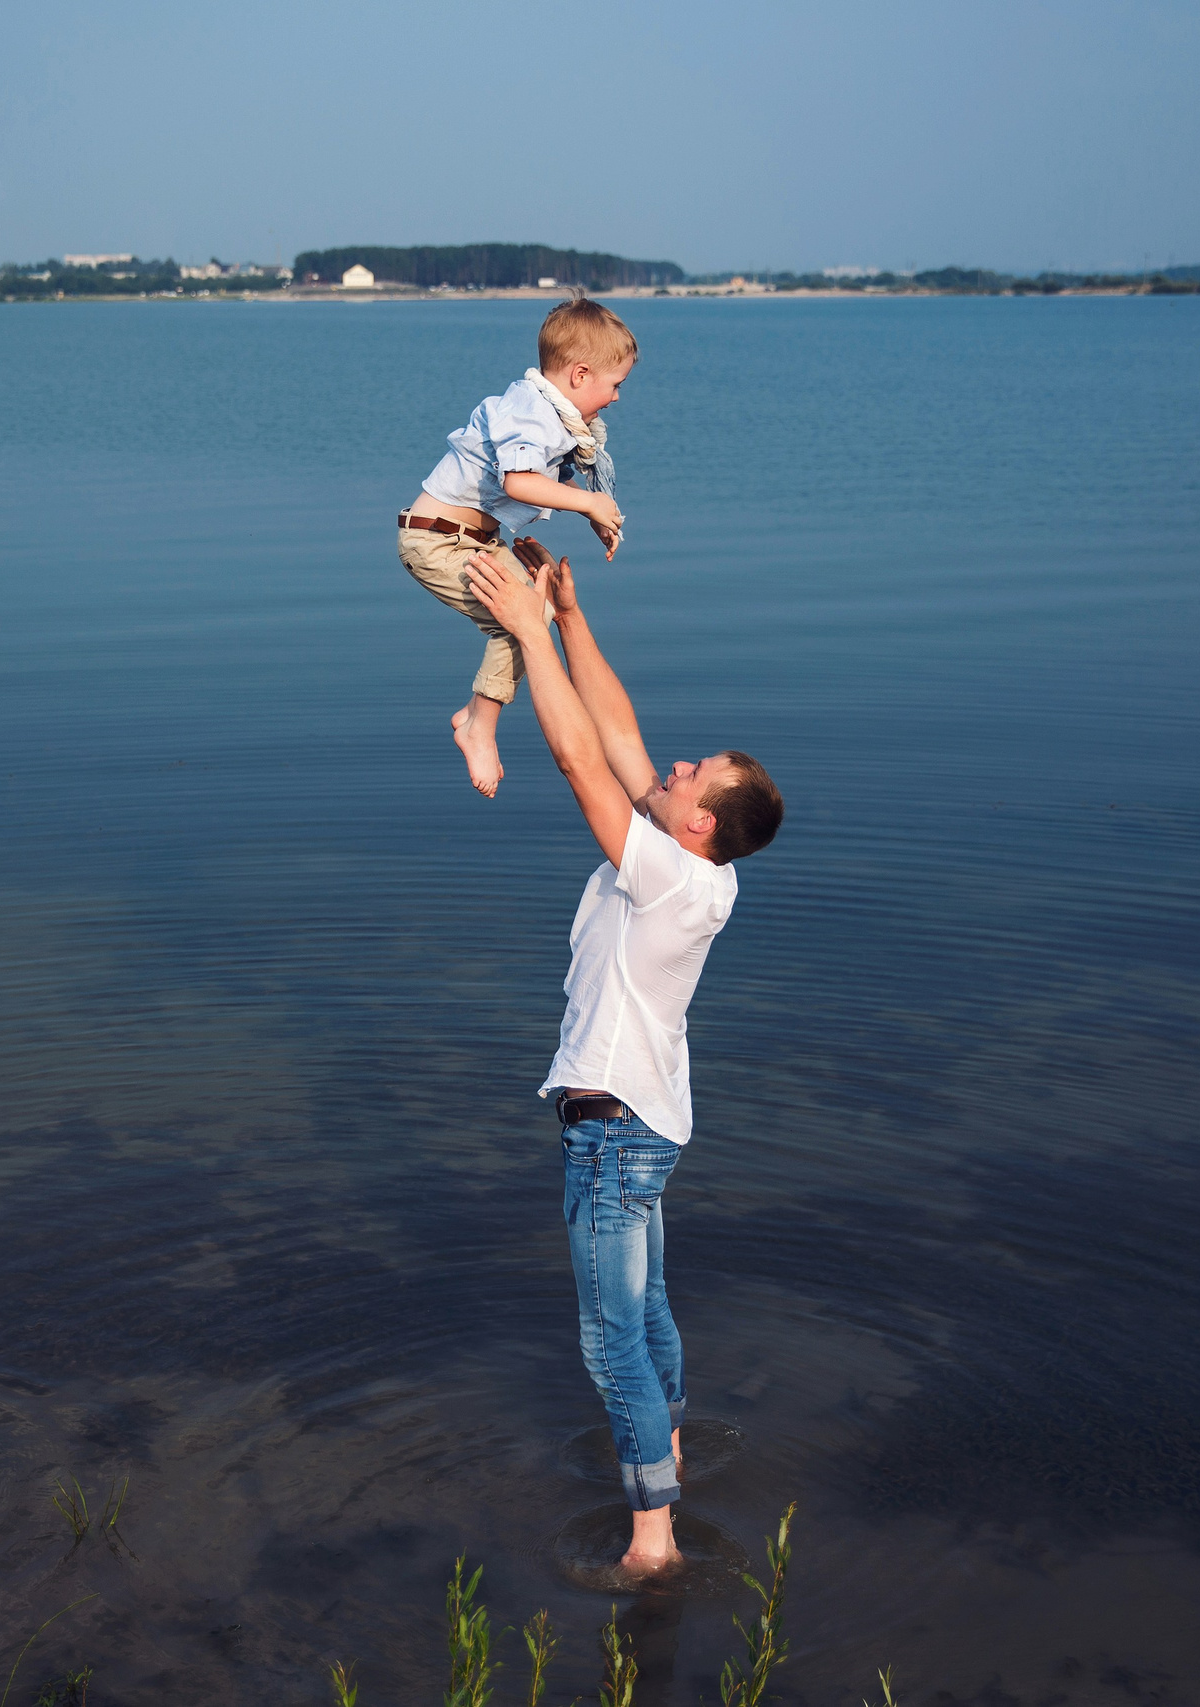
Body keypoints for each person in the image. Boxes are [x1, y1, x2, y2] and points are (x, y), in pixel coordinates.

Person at [463, 548, 783, 1578]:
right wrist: (566, 618)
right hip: (644, 1126)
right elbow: (618, 735)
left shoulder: (668, 880)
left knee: (610, 1343)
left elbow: (575, 761)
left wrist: (518, 627)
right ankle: (671, 1448)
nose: (673, 769)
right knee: (645, 1313)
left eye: (693, 778)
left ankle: (653, 1540)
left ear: (700, 823)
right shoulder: (696, 863)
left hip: (609, 1133)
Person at [398, 296, 636, 798]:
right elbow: (519, 482)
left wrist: (591, 509)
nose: (616, 398)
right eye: (615, 385)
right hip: (436, 541)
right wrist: (587, 504)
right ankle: (479, 726)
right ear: (579, 374)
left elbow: (548, 479)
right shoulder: (530, 409)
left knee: (542, 608)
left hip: (473, 540)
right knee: (521, 619)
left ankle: (477, 717)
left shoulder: (551, 415)